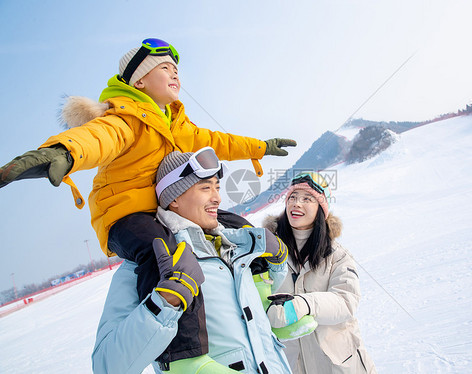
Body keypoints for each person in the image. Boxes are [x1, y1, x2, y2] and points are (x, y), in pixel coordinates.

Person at [0, 38, 295, 365]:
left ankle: (267, 301)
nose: (175, 75)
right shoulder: (124, 119)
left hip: (162, 208)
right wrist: (62, 152)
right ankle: (183, 357)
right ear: (139, 81)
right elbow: (96, 139)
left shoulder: (176, 123)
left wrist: (258, 147)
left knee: (236, 226)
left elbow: (217, 141)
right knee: (162, 252)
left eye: (177, 70)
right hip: (125, 216)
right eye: (165, 68)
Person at [93, 148, 292, 373]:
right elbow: (106, 365)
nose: (217, 197)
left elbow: (257, 302)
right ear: (174, 197)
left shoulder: (232, 244)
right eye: (205, 187)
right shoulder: (151, 263)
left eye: (217, 187)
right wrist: (164, 301)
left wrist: (277, 264)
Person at [263, 172, 377, 373]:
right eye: (292, 197)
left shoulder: (337, 255)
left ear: (321, 210)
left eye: (307, 199)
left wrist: (305, 304)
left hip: (339, 364)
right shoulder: (268, 252)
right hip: (291, 364)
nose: (296, 203)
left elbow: (346, 301)